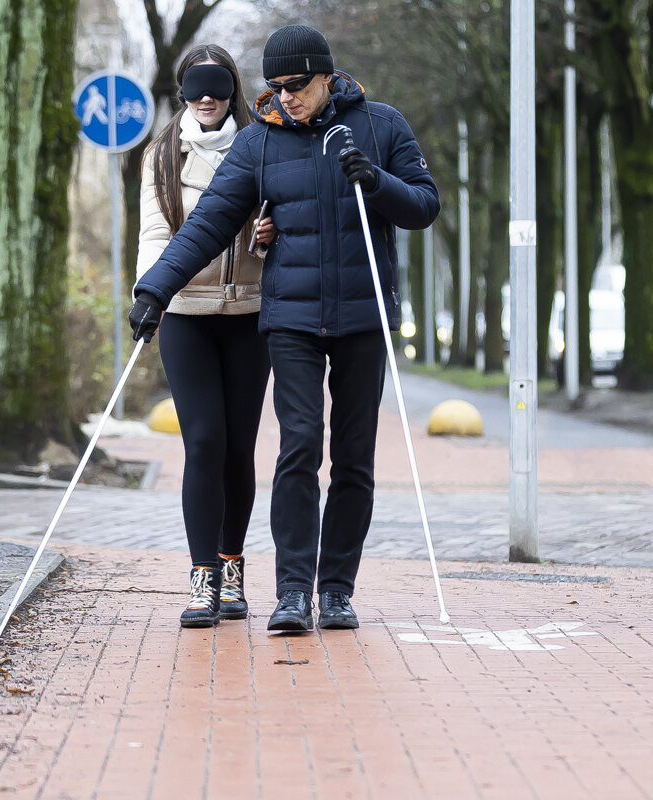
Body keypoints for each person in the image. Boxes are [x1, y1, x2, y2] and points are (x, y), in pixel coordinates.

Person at [131, 24, 439, 633]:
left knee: (353, 458)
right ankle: (293, 592)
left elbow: (424, 206)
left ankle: (337, 590)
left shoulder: (380, 126)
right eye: (275, 87)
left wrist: (376, 181)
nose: (286, 97)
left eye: (297, 86)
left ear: (328, 76)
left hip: (361, 319)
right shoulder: (261, 143)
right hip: (291, 321)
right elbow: (208, 224)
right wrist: (155, 289)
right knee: (298, 447)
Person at [132, 44, 269, 629]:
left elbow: (290, 218)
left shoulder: (263, 142)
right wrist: (148, 294)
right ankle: (201, 579)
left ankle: (233, 568)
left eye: (218, 87)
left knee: (240, 447)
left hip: (249, 315)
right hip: (186, 313)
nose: (208, 98)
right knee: (205, 441)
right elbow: (154, 233)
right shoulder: (160, 156)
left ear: (232, 89)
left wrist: (271, 235)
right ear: (183, 91)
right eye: (196, 88)